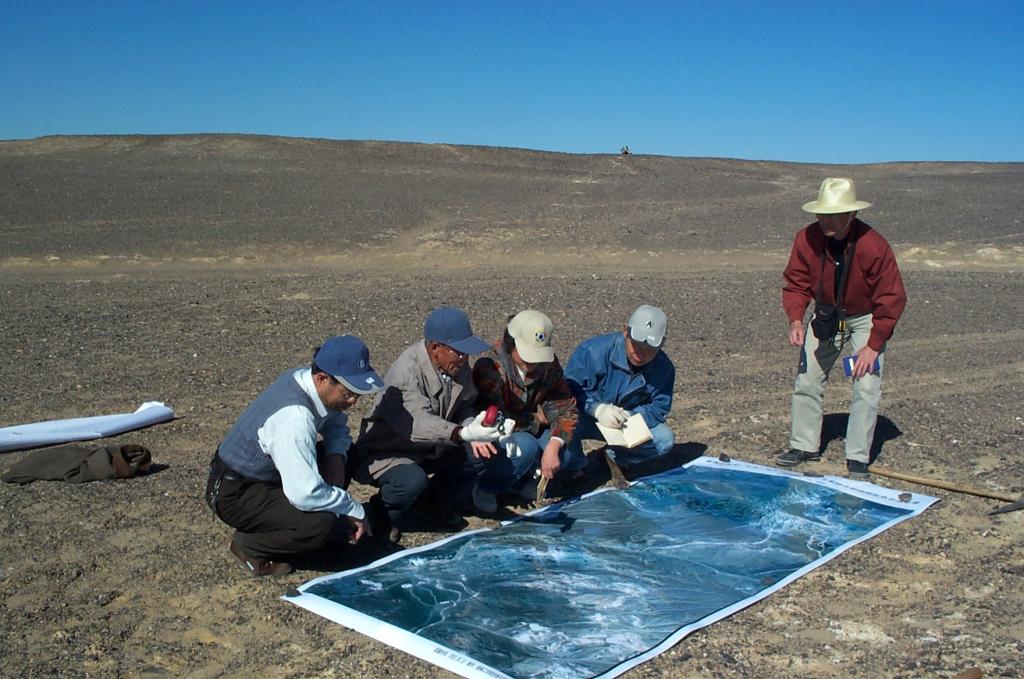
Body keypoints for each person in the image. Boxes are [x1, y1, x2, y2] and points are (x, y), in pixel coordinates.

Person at [205, 335, 385, 576]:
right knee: (318, 524)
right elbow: (304, 493)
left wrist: (334, 456)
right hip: (236, 493)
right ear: (322, 379)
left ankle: (322, 522)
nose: (353, 401)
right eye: (347, 394)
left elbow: (335, 422)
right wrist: (352, 507)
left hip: (266, 476)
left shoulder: (306, 379)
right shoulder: (295, 418)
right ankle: (249, 546)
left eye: (357, 395)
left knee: (346, 455)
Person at [776, 178, 907, 479]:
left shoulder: (874, 246)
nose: (825, 221)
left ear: (852, 214)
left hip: (864, 319)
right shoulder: (806, 239)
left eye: (834, 215)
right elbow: (796, 282)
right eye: (822, 214)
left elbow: (891, 298)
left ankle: (857, 456)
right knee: (807, 378)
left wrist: (873, 345)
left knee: (866, 383)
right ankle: (804, 446)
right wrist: (796, 319)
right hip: (825, 317)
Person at [353, 307, 508, 542]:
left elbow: (465, 404)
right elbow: (418, 424)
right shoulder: (406, 373)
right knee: (411, 481)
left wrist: (473, 428)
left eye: (466, 353)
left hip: (433, 446)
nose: (464, 359)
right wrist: (462, 433)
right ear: (436, 348)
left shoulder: (456, 365)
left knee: (482, 452)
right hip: (390, 451)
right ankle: (377, 515)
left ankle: (430, 503)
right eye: (459, 352)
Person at [471, 310, 579, 512]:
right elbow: (500, 420)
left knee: (566, 450)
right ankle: (486, 486)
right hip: (498, 437)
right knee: (526, 447)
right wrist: (538, 418)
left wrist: (554, 445)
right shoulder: (490, 368)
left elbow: (565, 408)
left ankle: (521, 480)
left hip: (528, 425)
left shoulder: (548, 364)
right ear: (510, 344)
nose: (533, 363)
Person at [564, 305, 675, 483]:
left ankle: (614, 457)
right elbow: (569, 390)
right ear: (625, 332)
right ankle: (575, 465)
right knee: (561, 422)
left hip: (626, 424)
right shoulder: (592, 351)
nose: (641, 354)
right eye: (636, 345)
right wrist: (597, 409)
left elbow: (659, 407)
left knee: (664, 439)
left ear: (662, 343)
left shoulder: (664, 368)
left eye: (649, 349)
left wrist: (631, 415)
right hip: (587, 418)